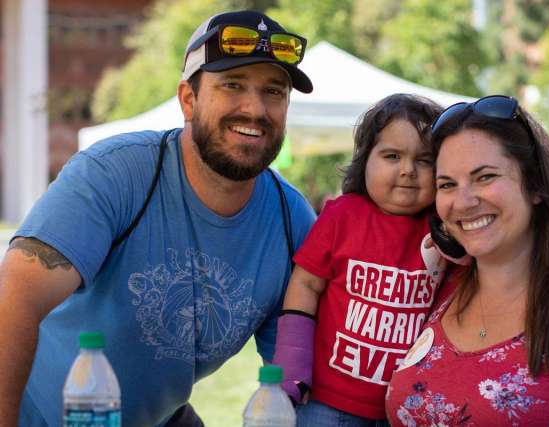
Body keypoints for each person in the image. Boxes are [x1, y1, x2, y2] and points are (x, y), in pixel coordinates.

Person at [0, 10, 317, 427]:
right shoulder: (116, 173)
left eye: (273, 92)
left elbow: (295, 375)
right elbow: (16, 300)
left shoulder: (291, 221)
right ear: (188, 99)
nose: (254, 109)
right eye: (233, 85)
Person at [386, 95, 549, 426]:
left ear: (535, 186)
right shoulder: (442, 288)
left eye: (485, 177)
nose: (463, 201)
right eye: (447, 184)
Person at [273, 94, 447, 426]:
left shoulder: (443, 229)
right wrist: (292, 363)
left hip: (406, 406)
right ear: (365, 159)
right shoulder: (342, 215)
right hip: (326, 400)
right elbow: (306, 284)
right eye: (392, 155)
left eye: (425, 160)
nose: (408, 170)